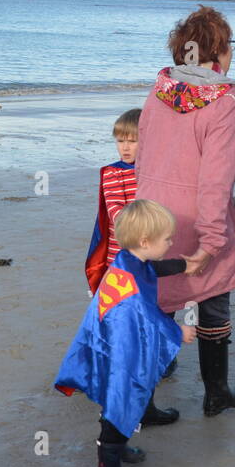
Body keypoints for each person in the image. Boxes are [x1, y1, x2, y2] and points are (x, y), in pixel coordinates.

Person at [135, 6, 235, 418]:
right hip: (198, 220)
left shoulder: (158, 91)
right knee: (214, 301)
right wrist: (214, 241)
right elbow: (215, 183)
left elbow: (143, 158)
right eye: (230, 45)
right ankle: (216, 393)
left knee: (156, 305)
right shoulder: (225, 103)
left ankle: (142, 404)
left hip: (152, 218)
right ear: (218, 51)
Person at [55, 200, 196, 467]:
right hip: (117, 351)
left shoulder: (127, 259)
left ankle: (118, 448)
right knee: (119, 402)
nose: (171, 242)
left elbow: (153, 268)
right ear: (145, 241)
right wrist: (178, 330)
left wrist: (183, 264)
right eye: (167, 239)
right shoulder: (130, 280)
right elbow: (147, 316)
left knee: (118, 398)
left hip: (108, 343)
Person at [84, 108, 180, 427]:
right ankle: (121, 402)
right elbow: (118, 218)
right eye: (120, 141)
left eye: (133, 141)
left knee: (154, 321)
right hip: (121, 265)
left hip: (150, 264)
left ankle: (148, 393)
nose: (125, 148)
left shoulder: (154, 173)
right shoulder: (112, 174)